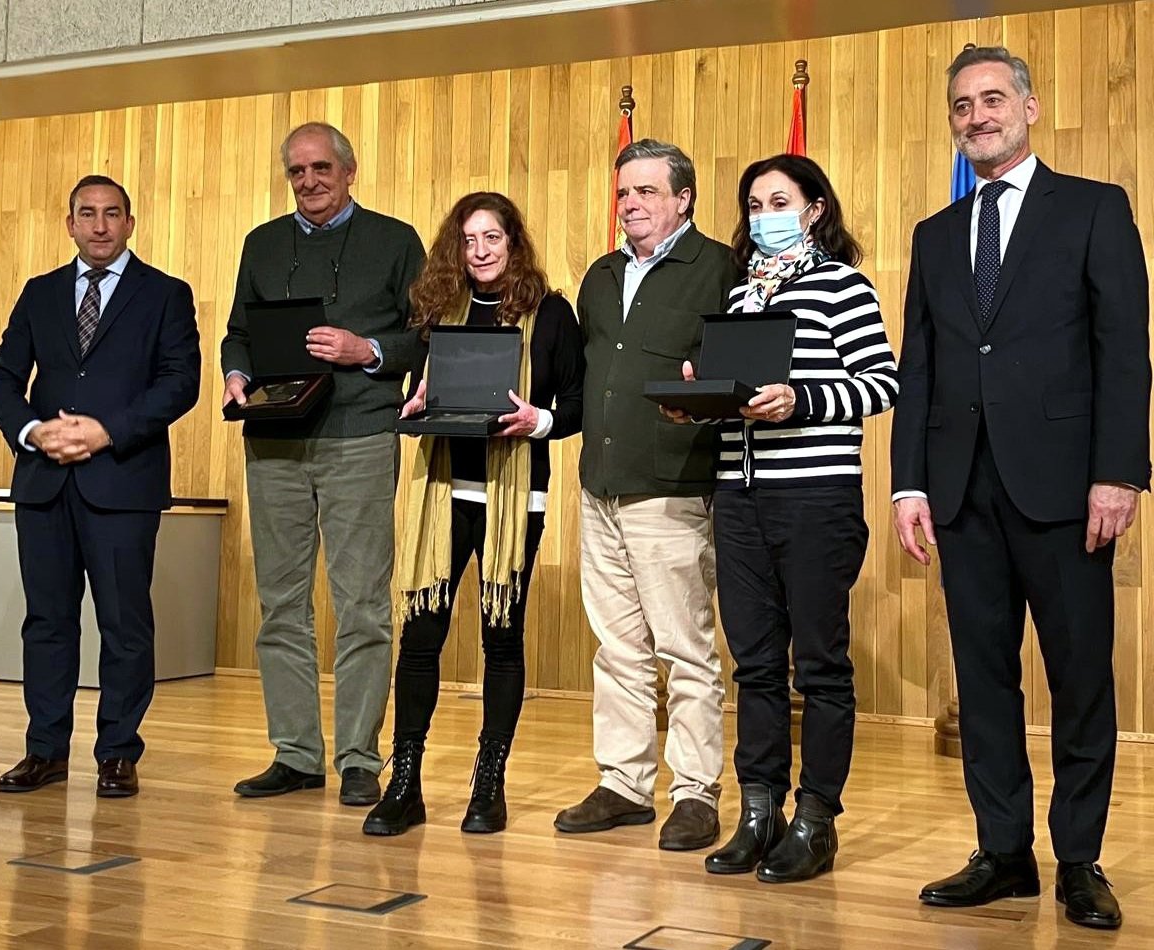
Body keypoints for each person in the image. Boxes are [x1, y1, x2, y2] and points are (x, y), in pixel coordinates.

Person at [891, 46, 1149, 930]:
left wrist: (1119, 472)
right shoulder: (935, 234)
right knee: (983, 681)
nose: (978, 115)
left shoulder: (1094, 208)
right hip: (961, 493)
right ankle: (1003, 852)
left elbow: (1125, 352)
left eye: (993, 99)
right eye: (963, 105)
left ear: (1030, 109)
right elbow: (919, 368)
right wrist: (908, 484)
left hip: (1067, 491)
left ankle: (1079, 859)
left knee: (1080, 680)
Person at [664, 154, 898, 881]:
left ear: (814, 209)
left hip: (816, 499)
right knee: (756, 665)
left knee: (819, 666)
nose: (764, 214)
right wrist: (699, 400)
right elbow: (739, 398)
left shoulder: (843, 285)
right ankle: (758, 813)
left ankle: (815, 819)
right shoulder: (740, 296)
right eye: (754, 204)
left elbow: (881, 383)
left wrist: (803, 399)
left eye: (779, 201)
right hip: (740, 498)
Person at [362, 192, 584, 837]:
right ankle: (404, 784)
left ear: (514, 242)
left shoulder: (550, 314)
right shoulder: (440, 311)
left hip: (517, 496)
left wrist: (537, 420)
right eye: (468, 240)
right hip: (444, 490)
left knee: (501, 639)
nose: (480, 251)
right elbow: (430, 392)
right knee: (420, 637)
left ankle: (489, 785)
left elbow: (576, 404)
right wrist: (415, 402)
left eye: (492, 238)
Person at [221, 122, 425, 806]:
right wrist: (235, 374)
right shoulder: (262, 243)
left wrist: (368, 350)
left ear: (349, 170)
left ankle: (360, 757)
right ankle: (296, 753)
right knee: (280, 604)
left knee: (362, 603)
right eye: (297, 171)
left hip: (358, 435)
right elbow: (238, 333)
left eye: (321, 168)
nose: (308, 181)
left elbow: (423, 337)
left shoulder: (394, 241)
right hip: (273, 439)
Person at [0, 174, 201, 798]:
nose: (99, 225)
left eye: (112, 213)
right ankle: (45, 750)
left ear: (130, 223)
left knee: (124, 625)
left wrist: (107, 432)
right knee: (46, 623)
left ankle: (117, 753)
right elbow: (1, 377)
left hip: (123, 482)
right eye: (87, 213)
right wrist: (32, 431)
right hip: (44, 483)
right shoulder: (39, 293)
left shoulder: (165, 294)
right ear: (70, 223)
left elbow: (180, 382)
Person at [553, 139, 740, 851]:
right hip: (599, 483)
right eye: (624, 192)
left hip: (672, 487)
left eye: (647, 191)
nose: (630, 203)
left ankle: (695, 793)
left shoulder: (719, 267)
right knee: (618, 647)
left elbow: (733, 382)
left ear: (683, 199)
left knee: (685, 649)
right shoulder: (601, 276)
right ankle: (624, 784)